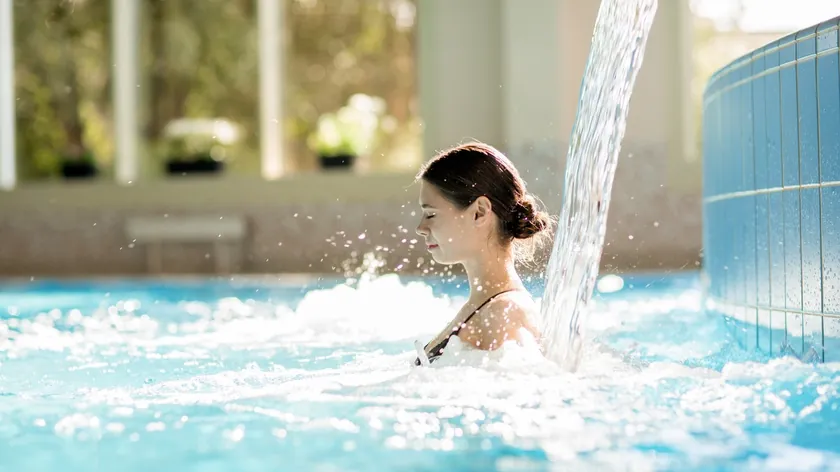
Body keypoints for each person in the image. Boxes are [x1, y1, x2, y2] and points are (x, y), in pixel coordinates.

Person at [413, 141, 553, 366]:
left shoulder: (503, 314)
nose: (420, 228)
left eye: (430, 215)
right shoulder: (487, 307)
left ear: (479, 212)